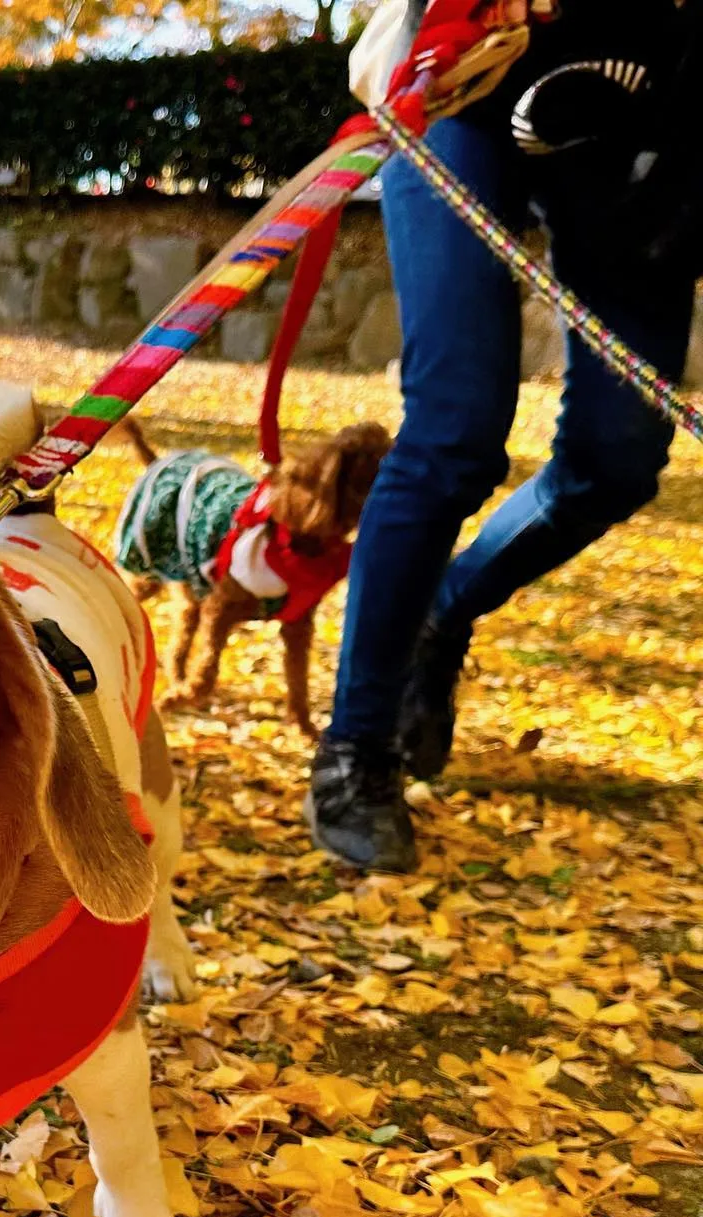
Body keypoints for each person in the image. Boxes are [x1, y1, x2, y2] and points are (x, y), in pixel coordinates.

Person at [305, 0, 703, 873]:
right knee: (454, 432)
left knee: (620, 461)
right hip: (465, 90)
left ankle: (443, 611)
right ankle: (354, 748)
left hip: (650, 142)